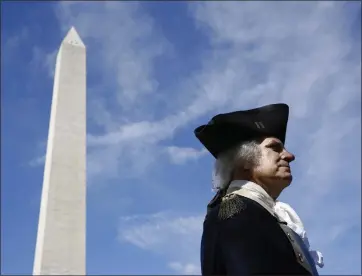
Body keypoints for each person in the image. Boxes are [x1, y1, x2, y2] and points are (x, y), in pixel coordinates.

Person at [194, 103, 323, 276]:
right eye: (274, 148)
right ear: (244, 160)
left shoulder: (259, 212)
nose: (289, 156)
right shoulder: (235, 210)